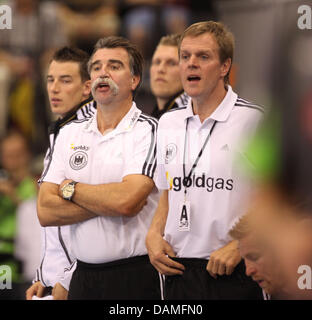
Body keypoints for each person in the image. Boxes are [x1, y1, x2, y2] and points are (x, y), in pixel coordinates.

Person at [146, 21, 264, 299]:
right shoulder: (168, 123)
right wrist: (153, 234)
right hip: (178, 270)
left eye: (203, 57)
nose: (191, 64)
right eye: (185, 57)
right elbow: (167, 191)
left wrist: (241, 245)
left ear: (225, 67)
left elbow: (279, 199)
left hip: (235, 269)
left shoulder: (255, 121)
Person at [37, 36, 160, 300]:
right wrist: (108, 203)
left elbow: (126, 202)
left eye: (114, 66)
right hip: (82, 277)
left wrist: (69, 188)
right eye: (96, 67)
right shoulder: (68, 134)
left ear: (135, 80)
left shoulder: (148, 130)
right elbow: (45, 211)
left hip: (133, 276)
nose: (103, 73)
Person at [26, 46, 95, 300]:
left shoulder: (91, 132)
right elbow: (55, 227)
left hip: (79, 281)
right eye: (50, 80)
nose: (54, 88)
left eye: (65, 80)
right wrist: (42, 275)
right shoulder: (60, 130)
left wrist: (67, 278)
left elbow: (97, 218)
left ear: (87, 87)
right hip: (53, 282)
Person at [0, 130, 37, 299]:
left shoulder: (37, 185)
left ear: (28, 155)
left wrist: (14, 196)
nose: (14, 161)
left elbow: (36, 215)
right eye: (8, 156)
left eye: (18, 155)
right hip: (4, 264)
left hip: (27, 268)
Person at [149, 34, 189, 119]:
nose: (160, 69)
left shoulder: (193, 118)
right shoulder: (151, 119)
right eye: (157, 62)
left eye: (171, 63)